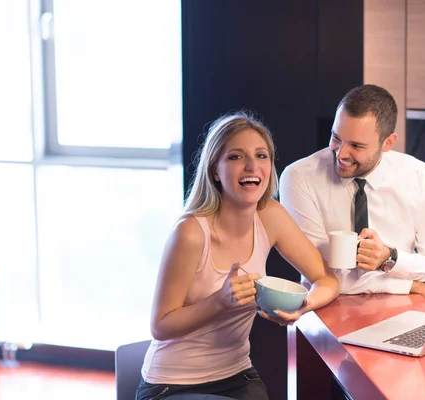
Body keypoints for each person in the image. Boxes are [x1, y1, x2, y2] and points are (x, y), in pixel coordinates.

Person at [136, 112, 340, 400]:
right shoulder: (191, 232)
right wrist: (220, 301)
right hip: (171, 385)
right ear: (215, 170)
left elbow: (327, 280)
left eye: (261, 156)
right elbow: (160, 325)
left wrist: (302, 307)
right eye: (235, 157)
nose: (252, 166)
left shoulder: (271, 216)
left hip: (237, 374)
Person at [279, 84, 425, 310]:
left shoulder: (420, 177)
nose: (341, 153)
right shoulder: (298, 177)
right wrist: (416, 285)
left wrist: (390, 258)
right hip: (324, 312)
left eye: (356, 145)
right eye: (336, 137)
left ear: (388, 143)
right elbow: (327, 279)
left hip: (402, 314)